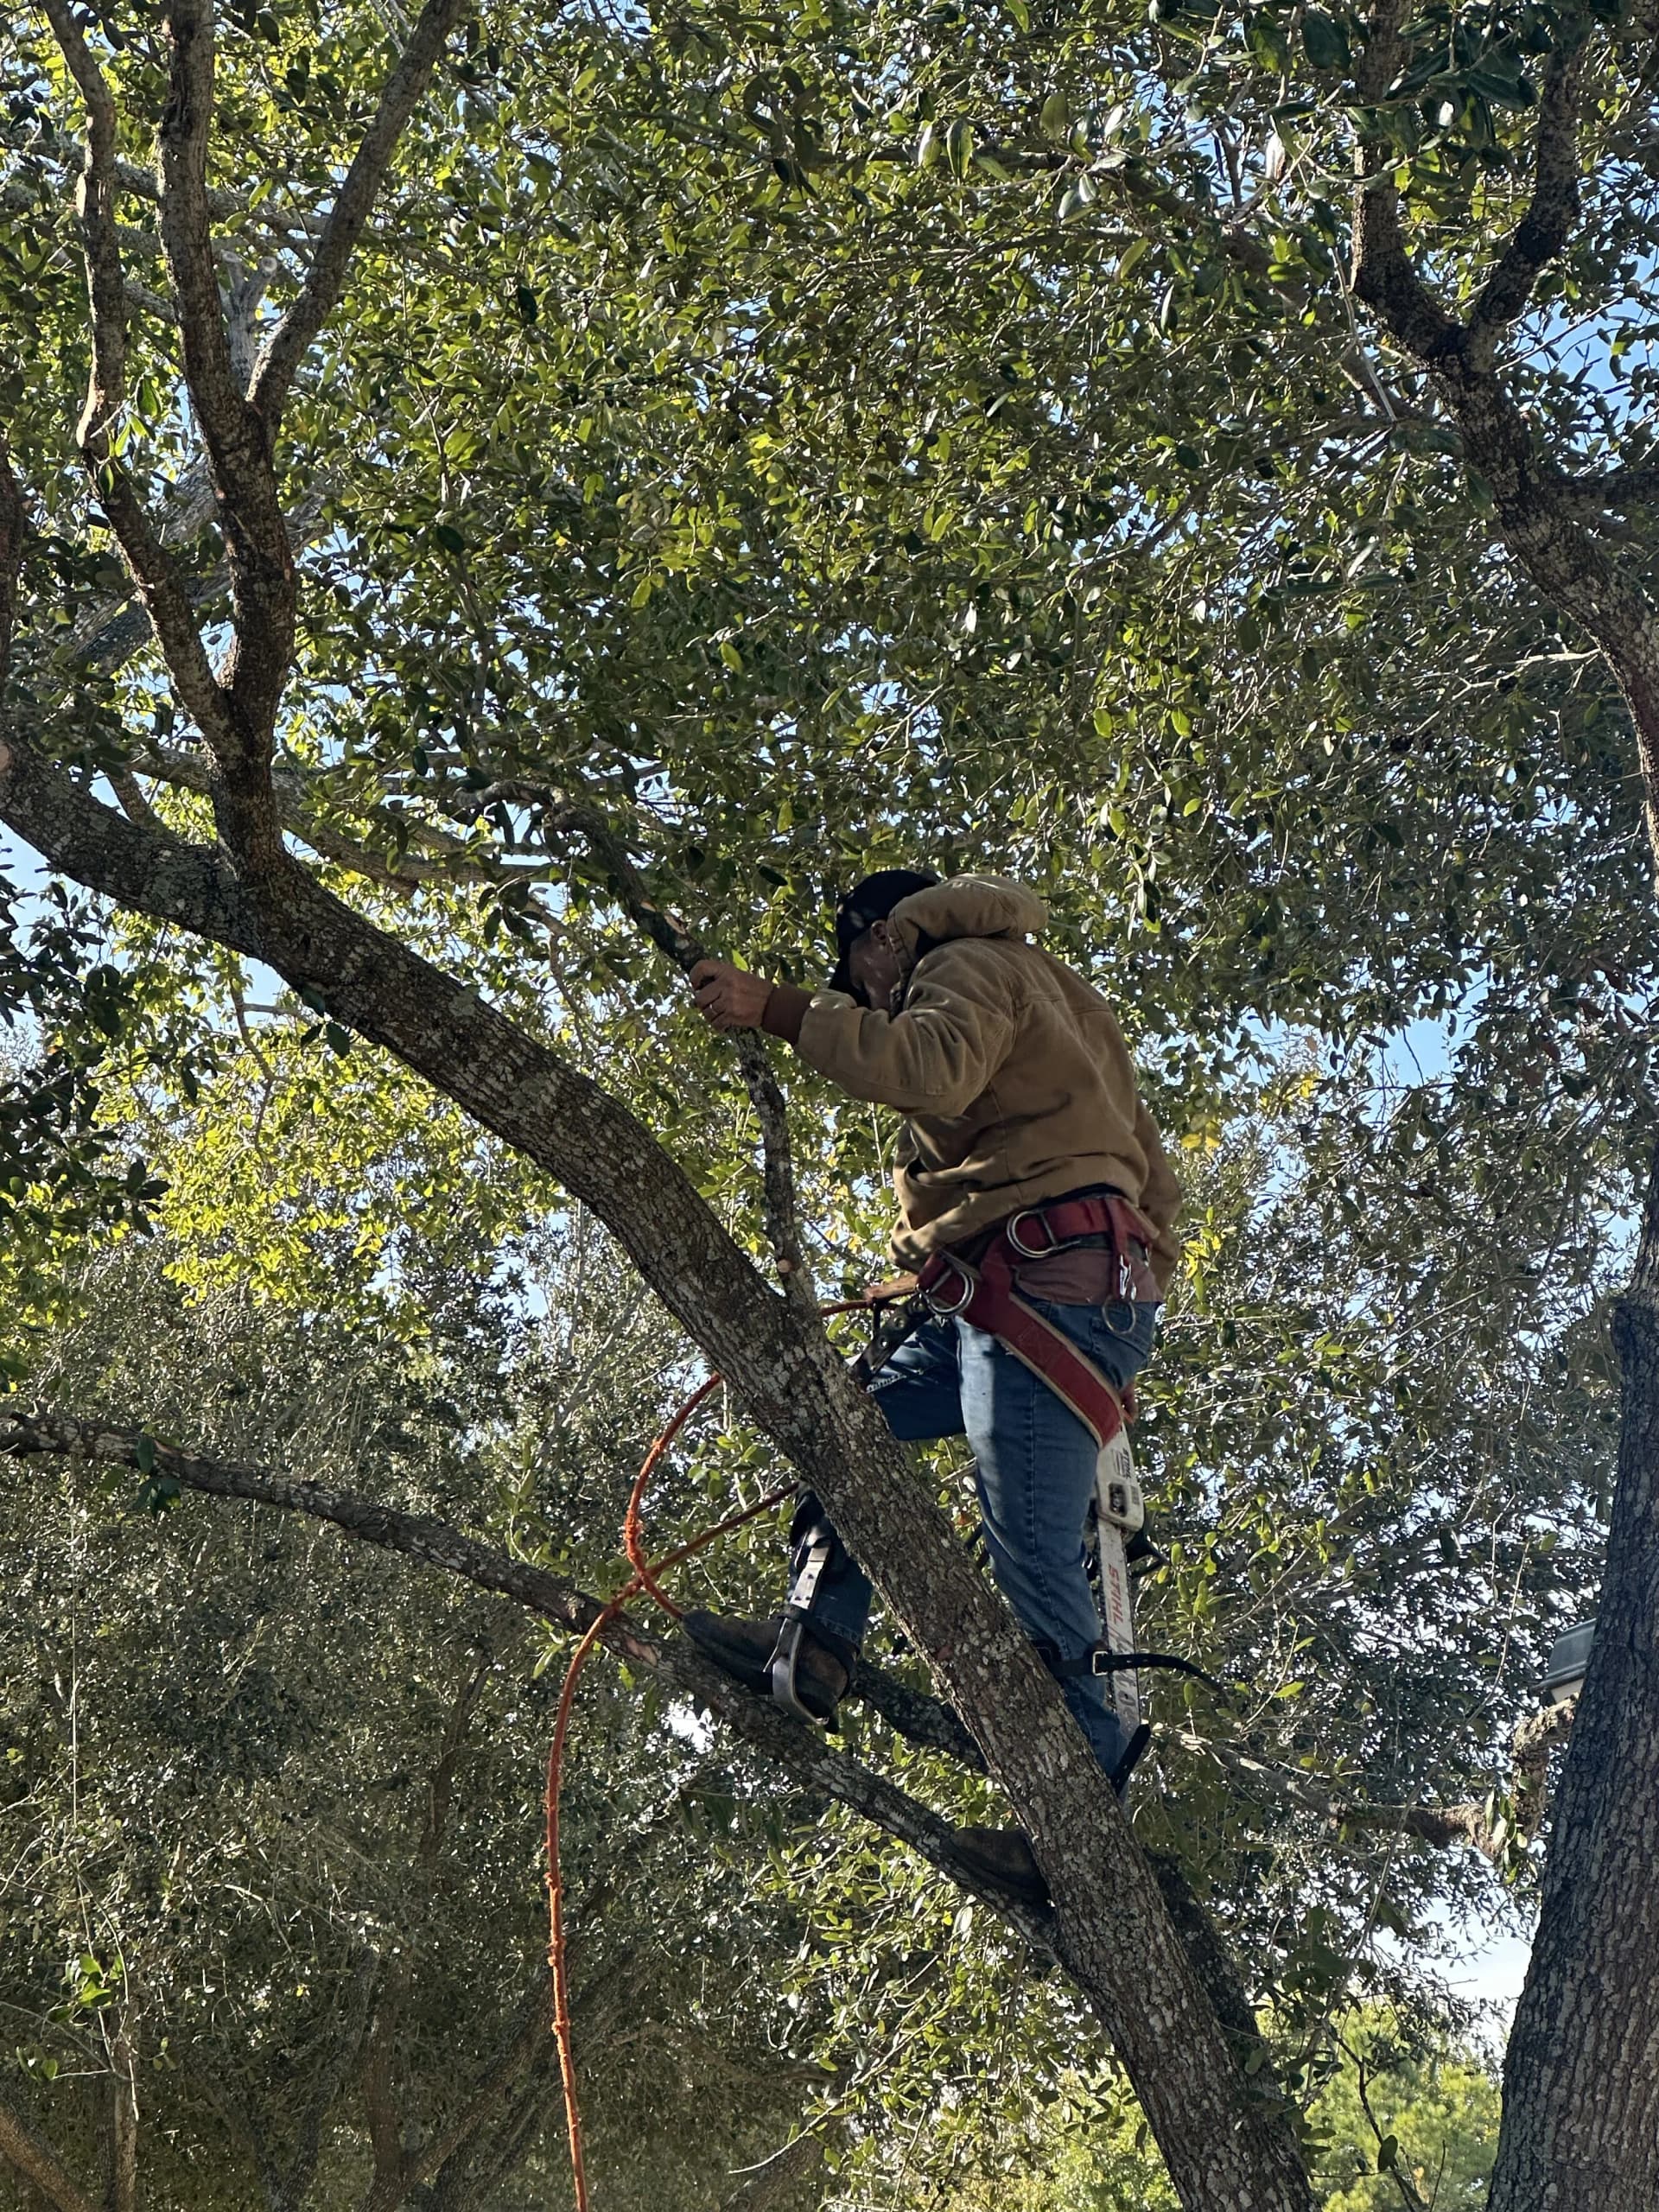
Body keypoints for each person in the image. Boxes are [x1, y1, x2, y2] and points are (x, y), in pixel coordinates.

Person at [686, 872, 1181, 1898]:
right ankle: (816, 1642)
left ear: (882, 938)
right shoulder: (1052, 993)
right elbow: (1134, 1166)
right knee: (851, 1422)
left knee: (1030, 1549)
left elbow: (932, 1069)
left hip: (1050, 1290)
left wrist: (777, 1008)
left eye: (861, 978)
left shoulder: (963, 964)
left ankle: (1080, 1826)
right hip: (1035, 1282)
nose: (868, 1002)